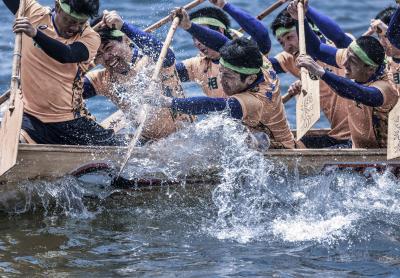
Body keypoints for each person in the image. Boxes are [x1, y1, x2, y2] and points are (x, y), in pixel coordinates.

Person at [146, 32, 299, 149]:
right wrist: (189, 26)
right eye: (221, 71)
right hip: (255, 136)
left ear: (250, 79)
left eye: (227, 76)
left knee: (223, 127)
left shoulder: (256, 99)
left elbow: (212, 105)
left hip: (278, 148)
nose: (220, 80)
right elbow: (223, 43)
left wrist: (168, 102)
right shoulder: (258, 61)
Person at [3, 0, 122, 145]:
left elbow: (67, 55)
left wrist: (35, 33)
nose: (75, 27)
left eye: (81, 22)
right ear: (58, 7)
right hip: (30, 118)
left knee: (118, 151)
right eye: (70, 20)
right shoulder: (33, 12)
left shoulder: (90, 37)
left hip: (69, 122)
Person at [296, 10, 399, 149]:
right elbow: (317, 49)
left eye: (352, 63)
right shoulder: (356, 56)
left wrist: (321, 72)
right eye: (347, 58)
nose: (345, 65)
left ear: (370, 69)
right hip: (358, 152)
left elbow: (355, 92)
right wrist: (300, 18)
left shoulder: (386, 87)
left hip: (383, 160)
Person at [84, 10, 190, 141]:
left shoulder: (152, 61)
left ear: (125, 39)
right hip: (149, 144)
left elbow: (166, 53)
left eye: (109, 48)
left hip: (186, 138)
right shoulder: (102, 79)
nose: (106, 57)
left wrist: (123, 26)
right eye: (99, 55)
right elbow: (64, 89)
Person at [269, 3, 353, 148]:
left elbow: (339, 37)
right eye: (281, 42)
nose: (287, 46)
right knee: (282, 145)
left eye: (290, 37)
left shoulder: (338, 49)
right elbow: (256, 67)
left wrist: (306, 11)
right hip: (338, 136)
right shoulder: (292, 59)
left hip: (359, 137)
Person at [176, 0, 271, 99]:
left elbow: (262, 34)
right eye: (194, 37)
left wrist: (224, 5)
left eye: (200, 35)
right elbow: (168, 71)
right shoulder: (200, 64)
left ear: (220, 31)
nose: (197, 43)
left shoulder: (249, 53)